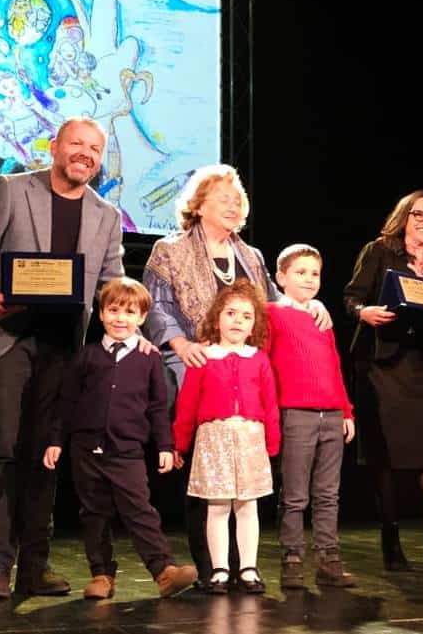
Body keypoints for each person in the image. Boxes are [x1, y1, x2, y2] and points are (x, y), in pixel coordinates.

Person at [0, 116, 136, 599]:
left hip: (63, 347)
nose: (85, 154)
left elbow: (112, 283)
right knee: (2, 449)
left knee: (45, 454)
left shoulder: (106, 215)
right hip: (4, 338)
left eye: (94, 148)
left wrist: (139, 328)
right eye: (77, 143)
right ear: (54, 146)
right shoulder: (10, 190)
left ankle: (34, 567)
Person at [142, 163, 330, 586]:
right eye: (223, 198)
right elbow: (157, 307)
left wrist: (310, 303)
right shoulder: (168, 250)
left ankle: (243, 564)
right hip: (194, 360)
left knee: (245, 476)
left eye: (237, 199)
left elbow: (276, 302)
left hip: (244, 367)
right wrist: (182, 345)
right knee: (206, 471)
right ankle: (212, 566)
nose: (233, 205)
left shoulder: (252, 256)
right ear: (199, 204)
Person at [42, 277, 197, 599]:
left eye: (129, 312)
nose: (120, 318)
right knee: (94, 513)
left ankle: (164, 571)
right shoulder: (86, 356)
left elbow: (157, 406)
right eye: (113, 310)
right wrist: (56, 440)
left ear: (141, 318)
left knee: (139, 510)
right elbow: (67, 402)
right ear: (101, 314)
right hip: (86, 449)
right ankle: (101, 575)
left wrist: (165, 445)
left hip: (127, 450)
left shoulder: (149, 358)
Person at [343, 190, 423, 571]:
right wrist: (364, 312)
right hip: (381, 366)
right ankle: (390, 542)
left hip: (421, 364)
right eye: (418, 215)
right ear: (404, 218)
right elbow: (352, 298)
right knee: (386, 455)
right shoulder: (379, 251)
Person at [172, 280, 280, 594]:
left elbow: (270, 404)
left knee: (247, 506)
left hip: (250, 438)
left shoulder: (259, 358)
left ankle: (248, 568)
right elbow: (187, 403)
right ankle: (219, 568)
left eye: (246, 316)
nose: (237, 321)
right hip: (213, 439)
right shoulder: (204, 357)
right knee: (217, 506)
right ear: (217, 318)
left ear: (254, 325)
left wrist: (273, 442)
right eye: (231, 313)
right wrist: (180, 442)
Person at [266, 244, 356, 589]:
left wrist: (346, 411)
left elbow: (334, 366)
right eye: (300, 272)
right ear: (281, 277)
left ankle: (328, 559)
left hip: (331, 415)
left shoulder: (322, 318)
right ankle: (292, 559)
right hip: (296, 415)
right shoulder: (272, 313)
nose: (308, 279)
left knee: (328, 493)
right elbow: (265, 365)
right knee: (294, 494)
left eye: (315, 273)